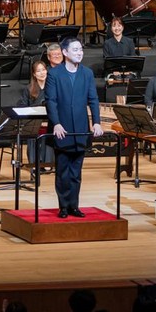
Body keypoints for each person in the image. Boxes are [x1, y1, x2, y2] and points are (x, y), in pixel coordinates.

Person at [45, 37, 103, 219]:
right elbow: (51, 101)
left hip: (80, 127)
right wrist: (57, 123)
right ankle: (63, 206)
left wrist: (96, 121)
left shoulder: (87, 73)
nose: (79, 53)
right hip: (62, 128)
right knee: (63, 171)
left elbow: (93, 99)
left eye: (81, 50)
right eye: (75, 50)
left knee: (76, 171)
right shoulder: (54, 74)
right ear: (65, 53)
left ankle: (74, 206)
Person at [18, 61, 54, 168]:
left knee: (50, 129)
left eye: (43, 70)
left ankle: (48, 163)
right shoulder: (28, 89)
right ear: (34, 74)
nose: (42, 73)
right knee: (33, 129)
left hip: (49, 121)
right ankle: (34, 163)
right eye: (38, 71)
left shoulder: (53, 86)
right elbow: (22, 106)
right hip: (34, 122)